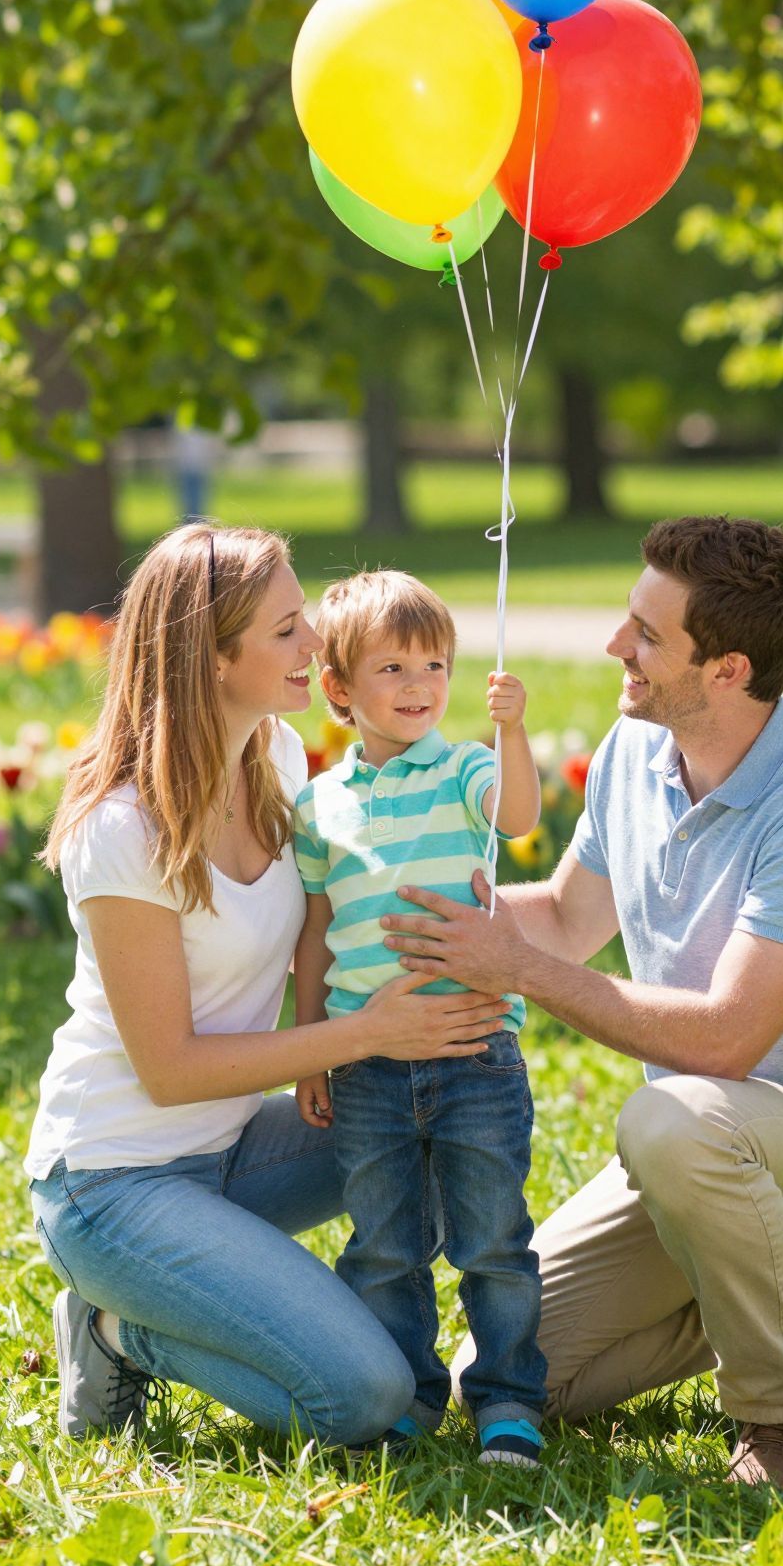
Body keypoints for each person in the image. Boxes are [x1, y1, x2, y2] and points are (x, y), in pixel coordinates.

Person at [379, 517, 783, 1488]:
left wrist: (516, 968)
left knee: (668, 1117)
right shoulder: (635, 749)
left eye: (647, 633)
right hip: (699, 1146)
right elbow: (570, 915)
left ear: (728, 668)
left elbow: (726, 1035)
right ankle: (758, 1291)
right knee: (496, 1376)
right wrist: (413, 903)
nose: (614, 645)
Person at [26, 525, 509, 1447]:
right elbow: (168, 1070)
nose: (318, 646)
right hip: (112, 1184)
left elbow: (333, 918)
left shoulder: (280, 761)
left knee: (446, 1125)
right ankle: (118, 1331)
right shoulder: (118, 829)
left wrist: (473, 925)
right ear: (213, 659)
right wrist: (364, 1036)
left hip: (236, 1150)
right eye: (288, 630)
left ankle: (221, 1293)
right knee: (365, 1400)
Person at [292, 570, 547, 1468]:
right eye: (392, 666)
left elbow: (518, 816)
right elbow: (316, 936)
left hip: (475, 1051)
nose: (417, 685)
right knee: (384, 1244)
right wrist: (311, 1054)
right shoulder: (319, 804)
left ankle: (510, 1398)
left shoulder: (468, 768)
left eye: (433, 664)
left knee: (493, 1239)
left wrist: (509, 731)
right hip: (369, 1066)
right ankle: (406, 1391)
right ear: (339, 690)